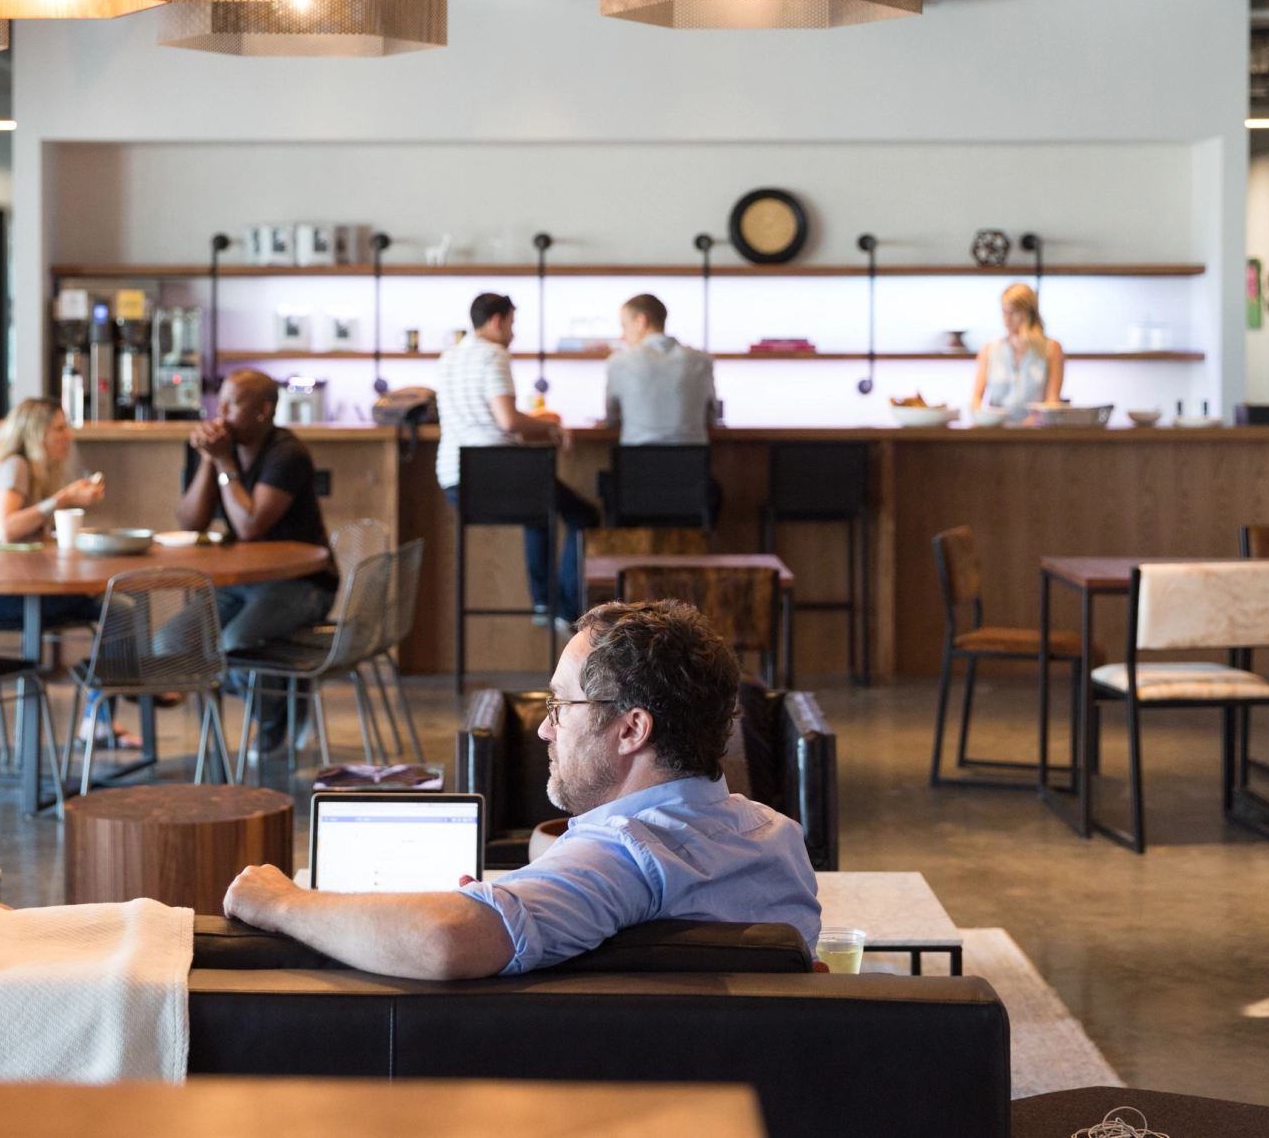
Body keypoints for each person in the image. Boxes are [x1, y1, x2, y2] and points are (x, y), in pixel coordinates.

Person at [222, 600, 821, 978]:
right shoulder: (777, 839)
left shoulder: (622, 856)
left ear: (632, 728)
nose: (543, 726)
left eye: (560, 705)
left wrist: (281, 902)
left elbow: (443, 938)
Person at [177, 368, 339, 753]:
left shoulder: (288, 453)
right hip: (243, 581)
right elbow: (189, 521)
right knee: (174, 640)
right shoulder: (221, 451)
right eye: (221, 401)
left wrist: (224, 465)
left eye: (233, 403)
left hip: (304, 584)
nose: (221, 411)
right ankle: (280, 693)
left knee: (235, 645)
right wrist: (207, 460)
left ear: (264, 410)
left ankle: (272, 719)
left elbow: (249, 525)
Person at [435, 292, 599, 631]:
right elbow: (507, 420)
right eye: (511, 323)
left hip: (455, 480)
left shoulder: (448, 357)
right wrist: (550, 425)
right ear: (497, 321)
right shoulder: (494, 354)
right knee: (583, 515)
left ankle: (544, 602)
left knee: (539, 513)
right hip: (496, 473)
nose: (513, 333)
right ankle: (563, 610)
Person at [0, 397, 106, 631]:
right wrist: (62, 499)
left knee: (114, 601)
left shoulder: (34, 470)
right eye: (59, 428)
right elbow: (5, 530)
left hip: (7, 590)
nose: (69, 436)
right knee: (115, 602)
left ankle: (98, 667)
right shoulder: (16, 465)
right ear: (35, 434)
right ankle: (100, 668)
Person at [603, 293, 717, 445]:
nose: (622, 337)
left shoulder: (619, 362)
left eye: (624, 326)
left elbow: (612, 419)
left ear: (640, 322)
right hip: (691, 464)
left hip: (638, 465)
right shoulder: (702, 361)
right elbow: (712, 416)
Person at [970, 282, 1065, 419]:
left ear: (1029, 313)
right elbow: (976, 399)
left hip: (1035, 432)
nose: (1007, 319)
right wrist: (981, 419)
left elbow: (1052, 400)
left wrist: (1032, 423)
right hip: (997, 431)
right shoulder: (990, 349)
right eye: (1004, 312)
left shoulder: (1051, 348)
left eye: (1013, 312)